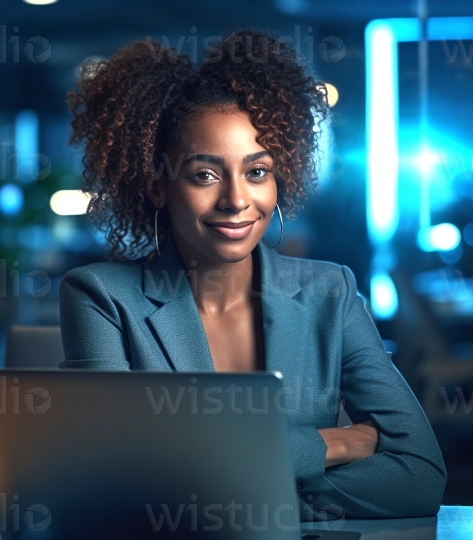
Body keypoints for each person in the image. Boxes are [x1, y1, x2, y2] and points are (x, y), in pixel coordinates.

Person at [59, 28, 446, 521]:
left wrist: (247, 498)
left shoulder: (331, 292)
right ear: (158, 185)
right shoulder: (100, 297)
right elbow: (117, 476)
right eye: (205, 174)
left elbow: (419, 475)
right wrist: (335, 444)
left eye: (257, 172)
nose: (237, 200)